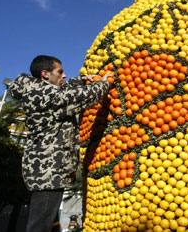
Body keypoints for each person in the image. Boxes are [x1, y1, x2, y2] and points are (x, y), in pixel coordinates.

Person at [8, 55, 111, 232]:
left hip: (48, 171)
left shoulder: (38, 91)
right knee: (39, 226)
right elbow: (79, 98)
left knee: (44, 224)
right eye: (60, 72)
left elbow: (63, 93)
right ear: (45, 74)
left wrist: (80, 80)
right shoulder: (42, 95)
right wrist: (105, 83)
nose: (64, 76)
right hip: (48, 174)